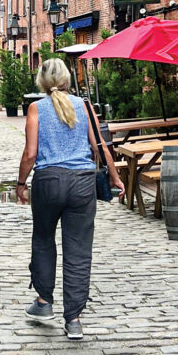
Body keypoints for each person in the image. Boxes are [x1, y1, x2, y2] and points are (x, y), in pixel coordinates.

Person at [15, 59, 124, 340]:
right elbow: (98, 145)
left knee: (43, 239)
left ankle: (43, 302)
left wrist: (20, 183)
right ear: (67, 79)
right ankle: (73, 319)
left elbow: (30, 153)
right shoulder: (84, 106)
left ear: (42, 81)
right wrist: (114, 176)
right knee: (78, 250)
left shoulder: (36, 108)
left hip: (49, 181)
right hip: (82, 183)